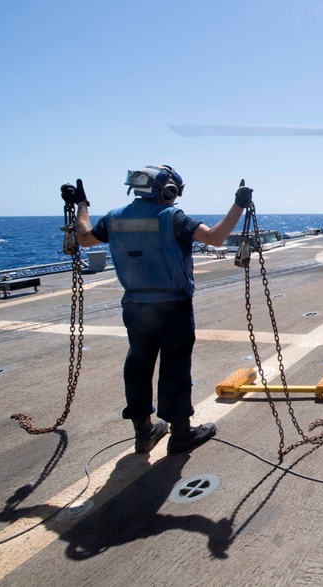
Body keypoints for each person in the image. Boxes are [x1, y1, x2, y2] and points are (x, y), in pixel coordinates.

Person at [64, 166, 252, 455]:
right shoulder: (172, 217)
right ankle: (180, 434)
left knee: (137, 366)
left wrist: (82, 205)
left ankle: (143, 433)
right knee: (175, 368)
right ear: (168, 190)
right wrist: (238, 204)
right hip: (172, 307)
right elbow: (215, 237)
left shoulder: (114, 218)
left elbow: (85, 238)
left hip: (135, 307)